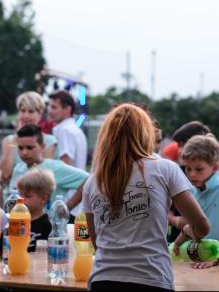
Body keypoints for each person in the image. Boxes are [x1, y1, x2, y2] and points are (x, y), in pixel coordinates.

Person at [83, 103, 210, 292]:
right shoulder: (165, 168)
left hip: (103, 278)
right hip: (152, 277)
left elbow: (97, 242)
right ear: (145, 133)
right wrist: (187, 233)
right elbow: (202, 227)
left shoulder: (93, 182)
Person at [170, 135, 219, 267]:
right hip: (194, 269)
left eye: (199, 169)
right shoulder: (191, 192)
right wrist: (177, 244)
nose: (192, 174)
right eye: (188, 169)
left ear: (215, 167)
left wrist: (215, 258)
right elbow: (191, 228)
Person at [8, 125, 88, 211]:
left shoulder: (54, 167)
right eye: (20, 148)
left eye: (30, 148)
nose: (24, 152)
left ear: (42, 147)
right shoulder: (18, 168)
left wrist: (65, 208)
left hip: (45, 223)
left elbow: (88, 180)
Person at [0, 91, 57, 185]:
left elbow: (41, 175)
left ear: (39, 114)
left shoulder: (49, 141)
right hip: (11, 196)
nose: (26, 116)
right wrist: (15, 140)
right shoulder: (8, 141)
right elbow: (4, 175)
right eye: (23, 111)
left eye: (31, 111)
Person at [16, 168, 55, 252]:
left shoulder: (48, 224)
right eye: (20, 194)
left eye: (27, 196)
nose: (21, 199)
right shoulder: (16, 220)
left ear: (43, 198)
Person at [48, 90, 87, 170]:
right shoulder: (72, 129)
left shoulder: (65, 130)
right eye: (49, 106)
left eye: (54, 107)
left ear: (67, 110)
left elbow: (66, 167)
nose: (50, 111)